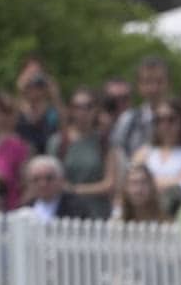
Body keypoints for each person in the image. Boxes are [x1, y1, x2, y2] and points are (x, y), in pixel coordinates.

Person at [48, 87, 120, 219]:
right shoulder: (58, 142)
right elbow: (50, 178)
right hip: (65, 215)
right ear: (70, 110)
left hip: (97, 214)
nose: (82, 112)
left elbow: (110, 184)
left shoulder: (105, 143)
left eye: (88, 106)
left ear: (96, 110)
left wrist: (73, 189)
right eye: (77, 107)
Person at [134, 101, 181, 212]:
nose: (165, 125)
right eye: (159, 120)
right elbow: (132, 182)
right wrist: (174, 180)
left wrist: (150, 182)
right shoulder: (144, 152)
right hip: (146, 213)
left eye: (171, 119)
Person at [112, 56, 171, 159]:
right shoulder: (127, 120)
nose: (154, 88)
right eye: (147, 82)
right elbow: (115, 157)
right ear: (139, 86)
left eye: (159, 81)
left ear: (168, 84)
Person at [17, 155, 96, 221]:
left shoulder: (78, 208)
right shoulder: (25, 208)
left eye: (49, 178)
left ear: (61, 180)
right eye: (36, 179)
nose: (43, 184)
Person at [12, 69, 58, 156]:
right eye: (29, 86)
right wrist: (19, 92)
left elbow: (65, 129)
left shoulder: (51, 112)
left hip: (46, 157)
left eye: (38, 86)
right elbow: (7, 127)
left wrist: (55, 95)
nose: (34, 90)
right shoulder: (17, 109)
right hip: (21, 156)